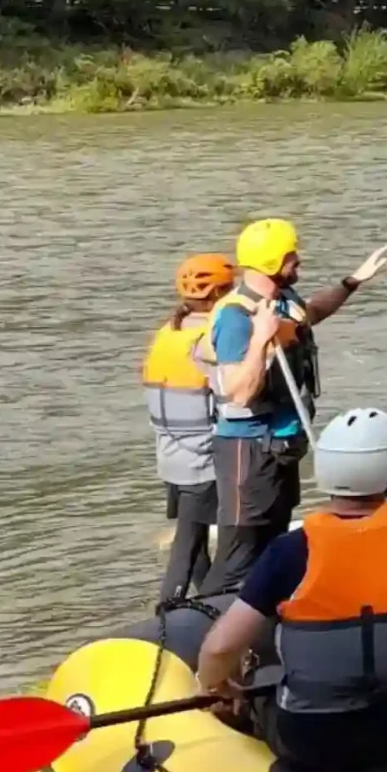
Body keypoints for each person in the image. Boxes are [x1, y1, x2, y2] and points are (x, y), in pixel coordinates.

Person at [196, 408, 387, 772]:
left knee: (260, 685)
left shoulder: (288, 552)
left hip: (313, 742)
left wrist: (217, 688)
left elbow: (219, 648)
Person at [202, 218, 387, 597]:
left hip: (283, 447)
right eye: (292, 257)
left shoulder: (284, 301)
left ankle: (262, 636)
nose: (299, 262)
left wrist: (352, 282)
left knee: (273, 552)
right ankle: (205, 632)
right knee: (238, 557)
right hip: (248, 451)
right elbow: (238, 392)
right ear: (271, 261)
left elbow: (312, 314)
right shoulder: (236, 317)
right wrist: (260, 341)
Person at [141, 252, 234, 605]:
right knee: (187, 546)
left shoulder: (169, 331)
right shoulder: (209, 338)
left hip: (169, 456)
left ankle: (206, 602)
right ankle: (168, 612)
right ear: (219, 295)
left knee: (192, 541)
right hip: (201, 458)